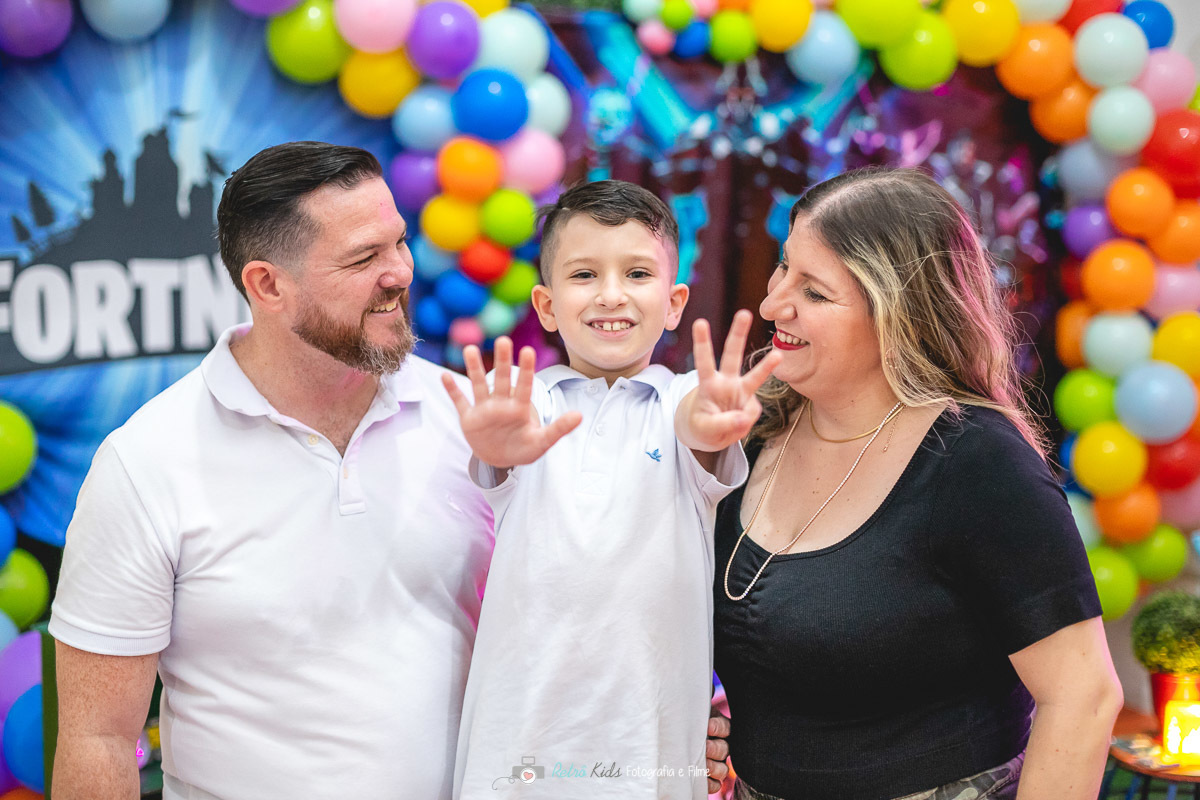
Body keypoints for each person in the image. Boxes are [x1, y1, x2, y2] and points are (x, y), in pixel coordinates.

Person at [48, 142, 496, 800]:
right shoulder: (147, 461)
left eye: (399, 243)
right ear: (267, 285)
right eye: (363, 258)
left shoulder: (474, 421)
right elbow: (99, 741)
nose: (400, 272)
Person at [712, 168, 1123, 800]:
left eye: (814, 292)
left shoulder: (977, 461)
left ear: (898, 315)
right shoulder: (752, 425)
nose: (772, 305)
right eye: (783, 267)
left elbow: (1084, 695)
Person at [444, 181, 779, 799]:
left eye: (637, 273)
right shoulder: (530, 406)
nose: (610, 294)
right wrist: (497, 446)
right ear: (546, 306)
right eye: (584, 274)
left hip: (648, 757)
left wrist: (711, 423)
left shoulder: (680, 399)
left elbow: (698, 427)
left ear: (674, 303)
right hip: (515, 754)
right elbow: (503, 452)